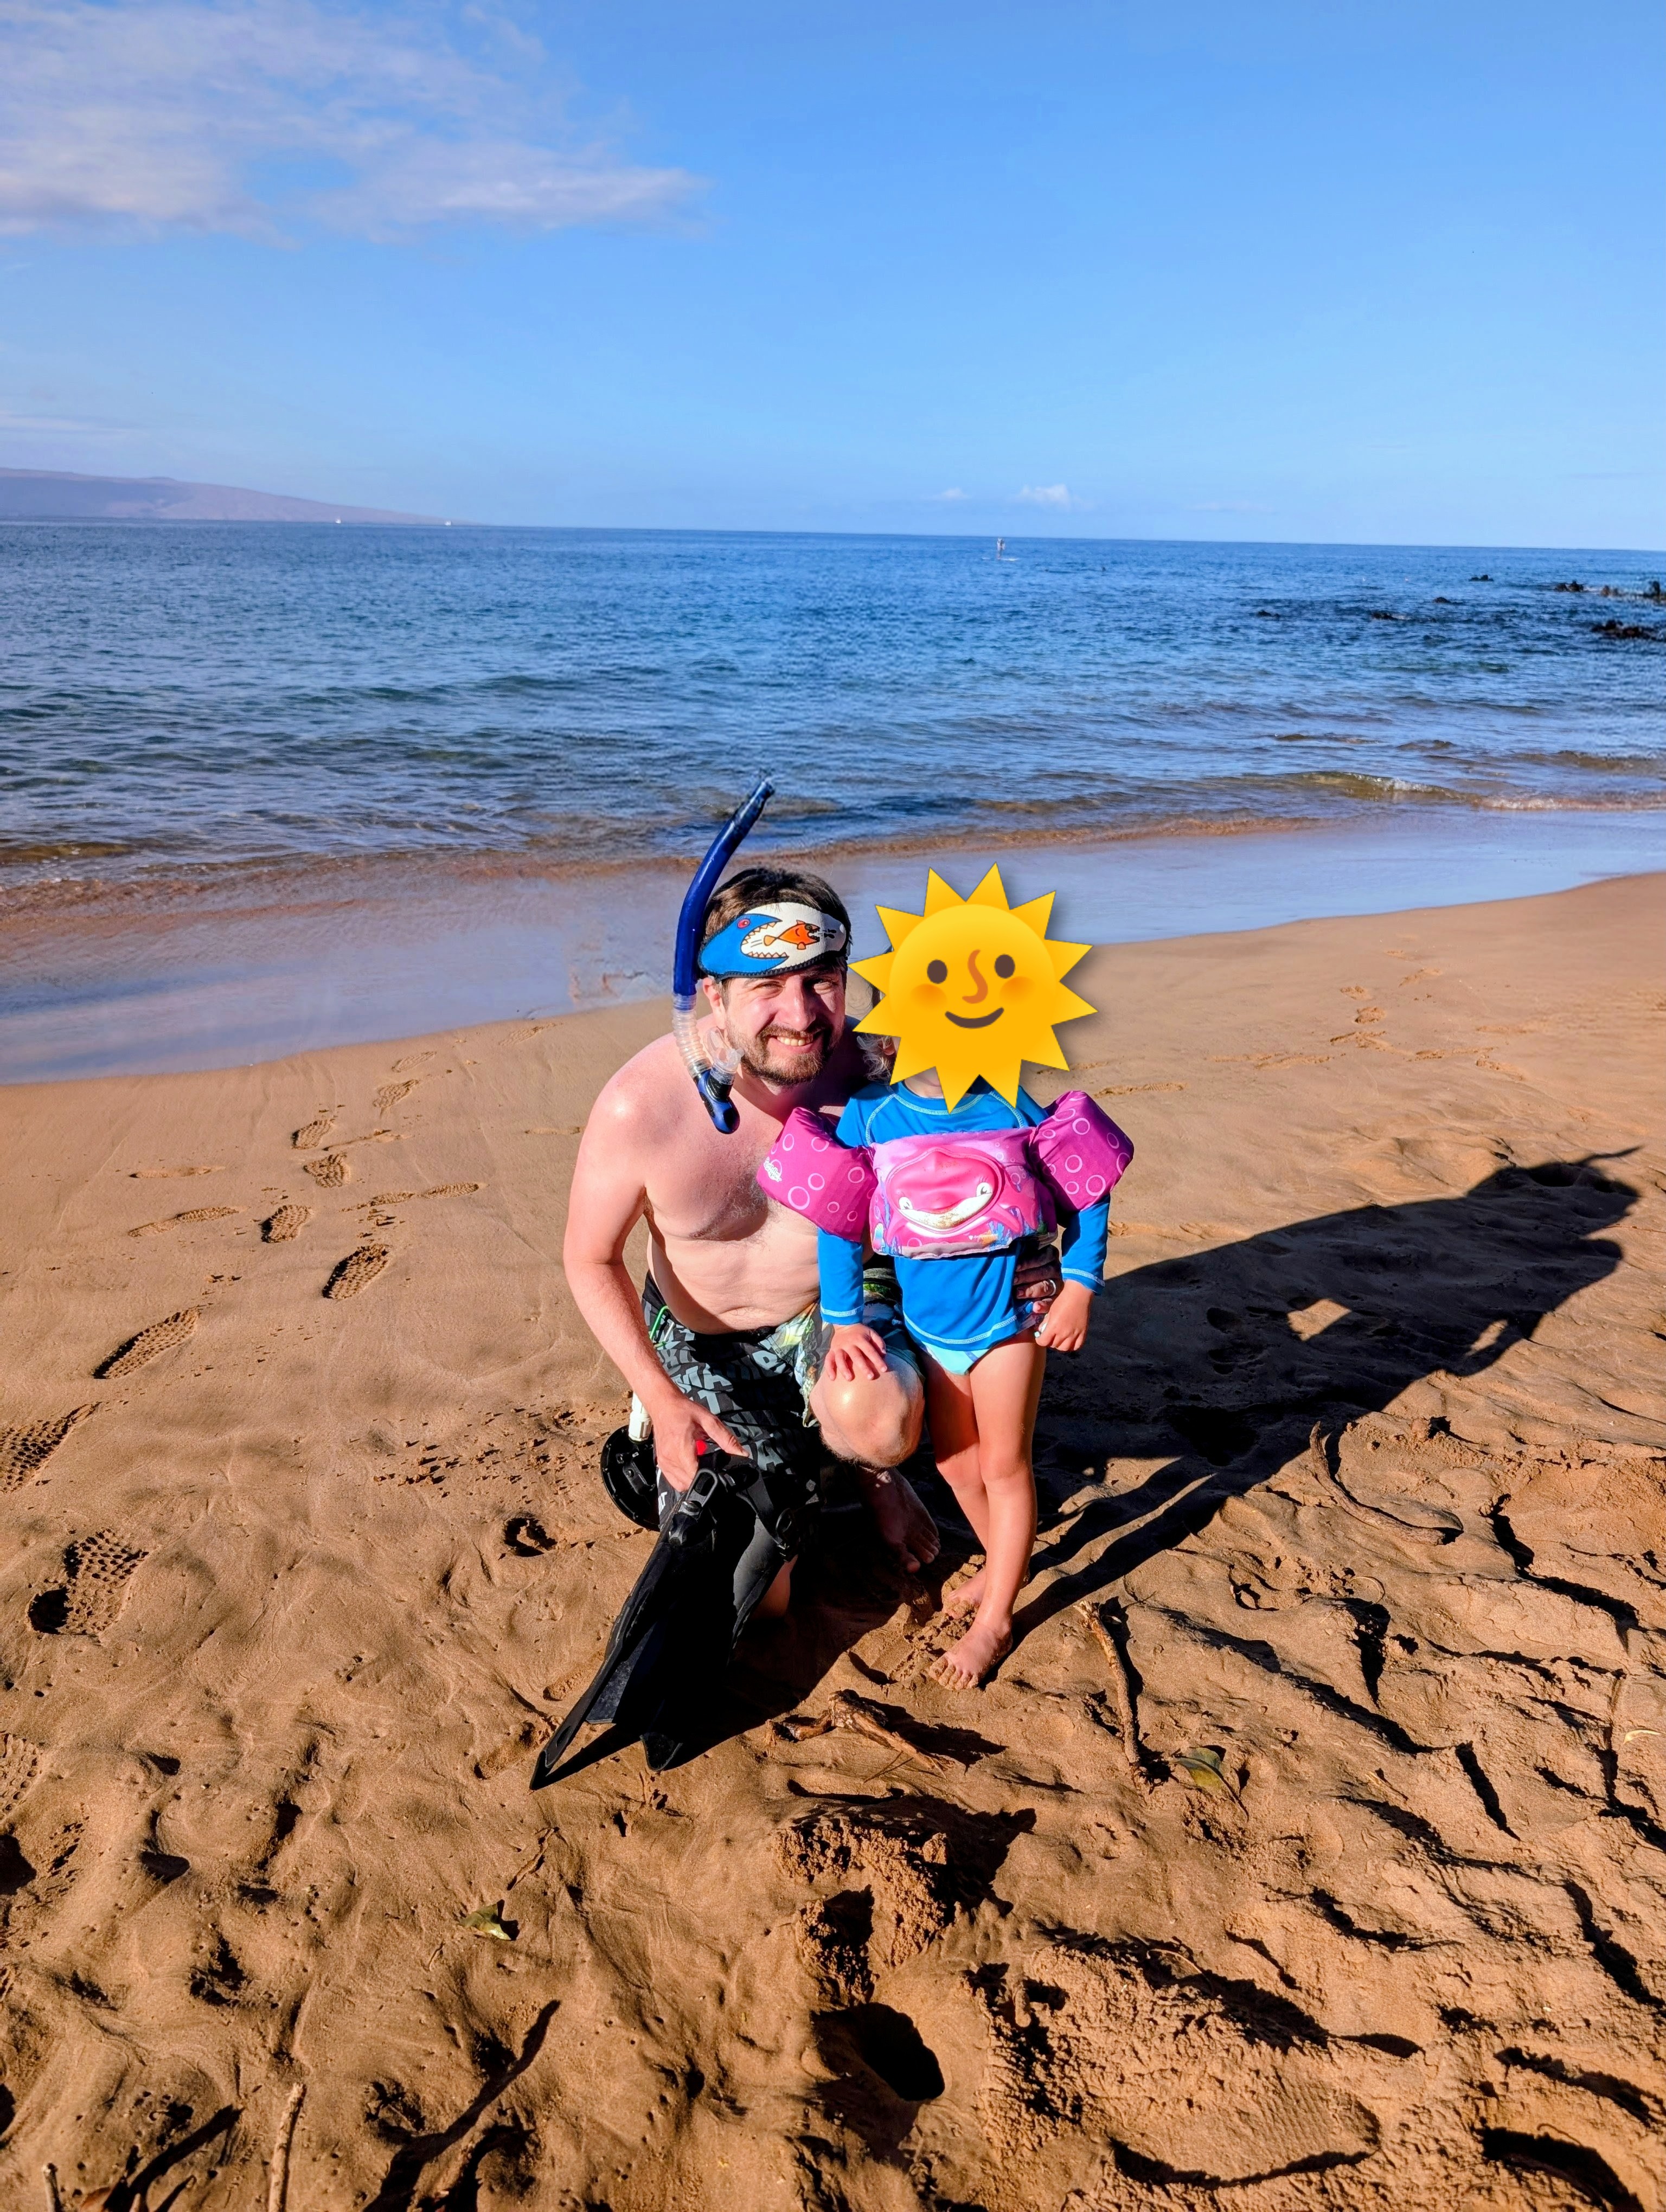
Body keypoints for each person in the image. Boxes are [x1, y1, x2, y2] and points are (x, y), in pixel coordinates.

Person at [757, 865, 1131, 1687]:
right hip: (929, 1329)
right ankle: (1003, 1563)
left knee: (1004, 1467)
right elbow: (840, 1220)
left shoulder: (1015, 1108)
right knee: (957, 1465)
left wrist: (1081, 1285)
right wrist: (845, 1318)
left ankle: (997, 1617)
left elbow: (1089, 1188)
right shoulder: (872, 1117)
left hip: (1009, 1324)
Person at [561, 864, 941, 1623]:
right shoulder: (644, 1105)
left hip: (831, 1309)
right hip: (700, 1338)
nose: (800, 1015)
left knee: (883, 1423)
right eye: (767, 985)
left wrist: (1039, 1261)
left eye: (821, 980)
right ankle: (745, 1443)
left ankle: (869, 1472)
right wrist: (664, 1400)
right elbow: (589, 1258)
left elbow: (986, 1181)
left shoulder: (881, 1074)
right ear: (715, 994)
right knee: (763, 1602)